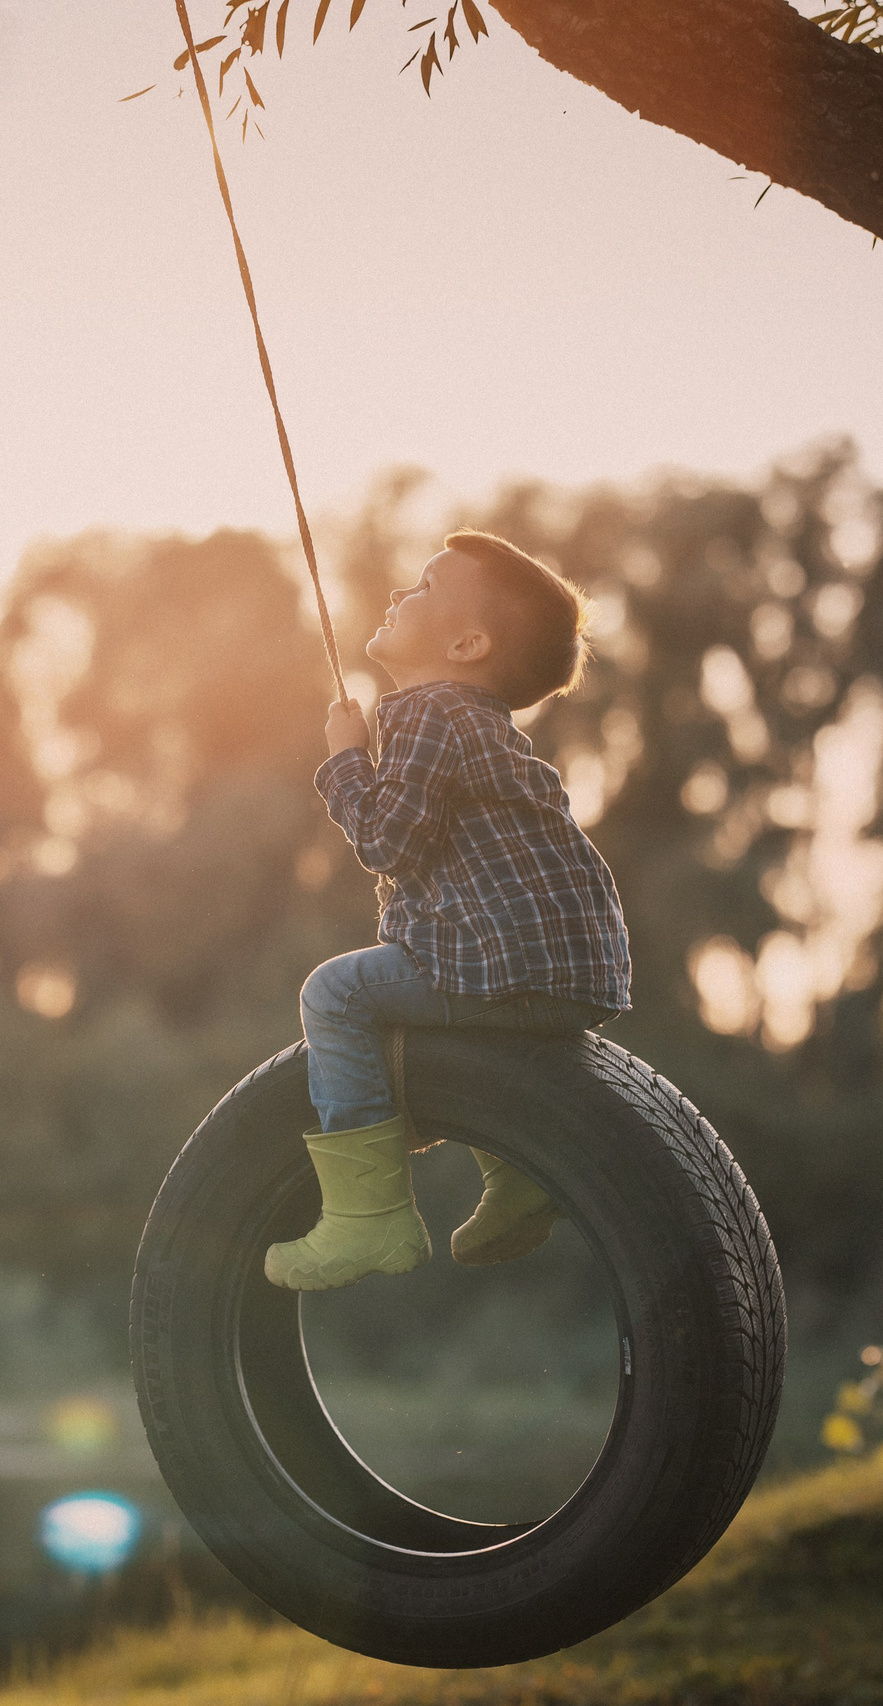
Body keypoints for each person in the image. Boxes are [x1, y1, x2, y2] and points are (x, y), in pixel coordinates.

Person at [265, 531, 632, 1292]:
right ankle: (522, 1178)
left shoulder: (426, 713)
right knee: (455, 1016)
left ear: (468, 643)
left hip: (504, 963)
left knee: (336, 994)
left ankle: (369, 1220)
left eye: (426, 587)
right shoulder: (483, 727)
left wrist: (342, 762)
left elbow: (389, 841)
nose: (402, 593)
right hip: (574, 975)